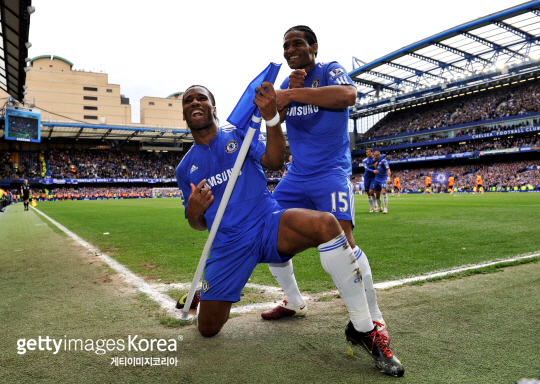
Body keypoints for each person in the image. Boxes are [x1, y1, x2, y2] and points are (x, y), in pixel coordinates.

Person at [176, 84, 404, 377]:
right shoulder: (185, 168)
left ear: (213, 108)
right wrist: (193, 213)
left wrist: (272, 119)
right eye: (188, 100)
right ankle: (217, 293)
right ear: (183, 112)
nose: (195, 102)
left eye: (201, 98)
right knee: (207, 329)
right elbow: (198, 223)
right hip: (229, 245)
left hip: (267, 223)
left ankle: (363, 328)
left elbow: (274, 161)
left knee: (326, 224)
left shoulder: (240, 135)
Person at [262, 25, 393, 350]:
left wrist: (292, 94)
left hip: (331, 172)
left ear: (313, 46)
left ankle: (373, 319)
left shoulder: (329, 69)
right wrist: (279, 101)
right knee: (266, 232)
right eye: (286, 45)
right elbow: (274, 118)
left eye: (297, 43)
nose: (290, 49)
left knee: (344, 243)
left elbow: (348, 96)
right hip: (296, 175)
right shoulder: (286, 82)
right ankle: (294, 301)